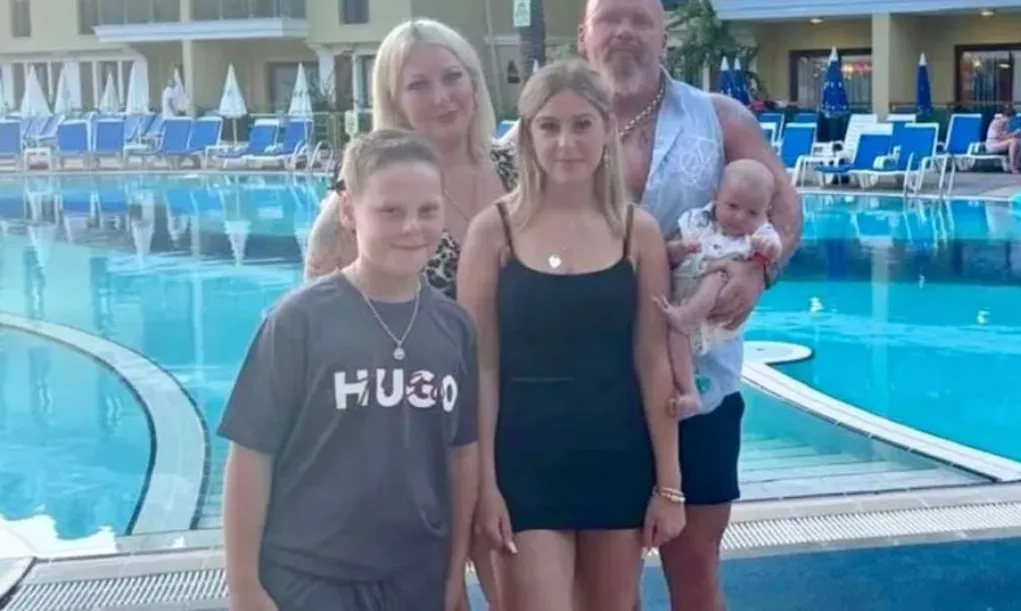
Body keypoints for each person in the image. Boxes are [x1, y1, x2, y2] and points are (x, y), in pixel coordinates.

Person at [576, 0, 803, 609]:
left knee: (696, 568)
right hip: (590, 385)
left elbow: (785, 203)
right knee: (603, 584)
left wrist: (759, 272)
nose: (625, 31)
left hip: (699, 382)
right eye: (610, 18)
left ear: (664, 38)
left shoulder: (720, 117)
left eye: (642, 20)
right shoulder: (553, 125)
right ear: (584, 35)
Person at [301, 18, 515, 609]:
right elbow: (320, 321)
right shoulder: (361, 203)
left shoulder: (521, 171)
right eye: (419, 85)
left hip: (520, 418)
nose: (442, 96)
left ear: (474, 81)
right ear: (393, 100)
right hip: (417, 431)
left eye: (453, 77)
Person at [457, 58, 685, 611]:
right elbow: (480, 366)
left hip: (616, 455)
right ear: (527, 134)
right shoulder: (494, 231)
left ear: (607, 128)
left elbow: (652, 362)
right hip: (523, 462)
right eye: (549, 126)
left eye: (582, 124)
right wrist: (484, 485)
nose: (565, 142)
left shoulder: (637, 232)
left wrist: (670, 485)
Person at [219, 129, 479, 611]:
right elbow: (251, 454)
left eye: (427, 210)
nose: (412, 227)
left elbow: (462, 457)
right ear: (348, 212)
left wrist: (453, 570)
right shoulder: (299, 321)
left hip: (415, 576)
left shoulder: (454, 328)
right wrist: (244, 585)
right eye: (390, 211)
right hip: (310, 576)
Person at [653, 159, 782, 417]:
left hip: (711, 313)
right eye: (732, 206)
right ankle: (689, 393)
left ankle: (688, 316)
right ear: (715, 196)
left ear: (766, 212)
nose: (740, 217)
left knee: (718, 274)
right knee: (676, 336)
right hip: (680, 303)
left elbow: (774, 250)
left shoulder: (757, 235)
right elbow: (666, 254)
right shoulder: (696, 222)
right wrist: (681, 248)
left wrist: (767, 251)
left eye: (752, 213)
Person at [984, 104, 1021, 173]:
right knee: (1013, 142)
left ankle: (1017, 164)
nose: (1011, 120)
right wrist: (1014, 134)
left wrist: (1016, 135)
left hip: (1000, 143)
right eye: (1011, 118)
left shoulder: (1006, 124)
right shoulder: (997, 122)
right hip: (992, 144)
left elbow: (1005, 136)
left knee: (1018, 141)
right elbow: (1002, 137)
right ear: (1006, 116)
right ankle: (1012, 165)